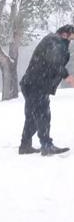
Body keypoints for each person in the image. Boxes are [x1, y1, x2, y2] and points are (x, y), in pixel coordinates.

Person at [18, 24, 74, 156]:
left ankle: (25, 146)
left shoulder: (54, 41)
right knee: (43, 114)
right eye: (72, 37)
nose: (71, 41)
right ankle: (46, 145)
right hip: (36, 84)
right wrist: (67, 76)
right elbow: (54, 62)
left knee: (33, 116)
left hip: (32, 83)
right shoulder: (55, 42)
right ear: (65, 34)